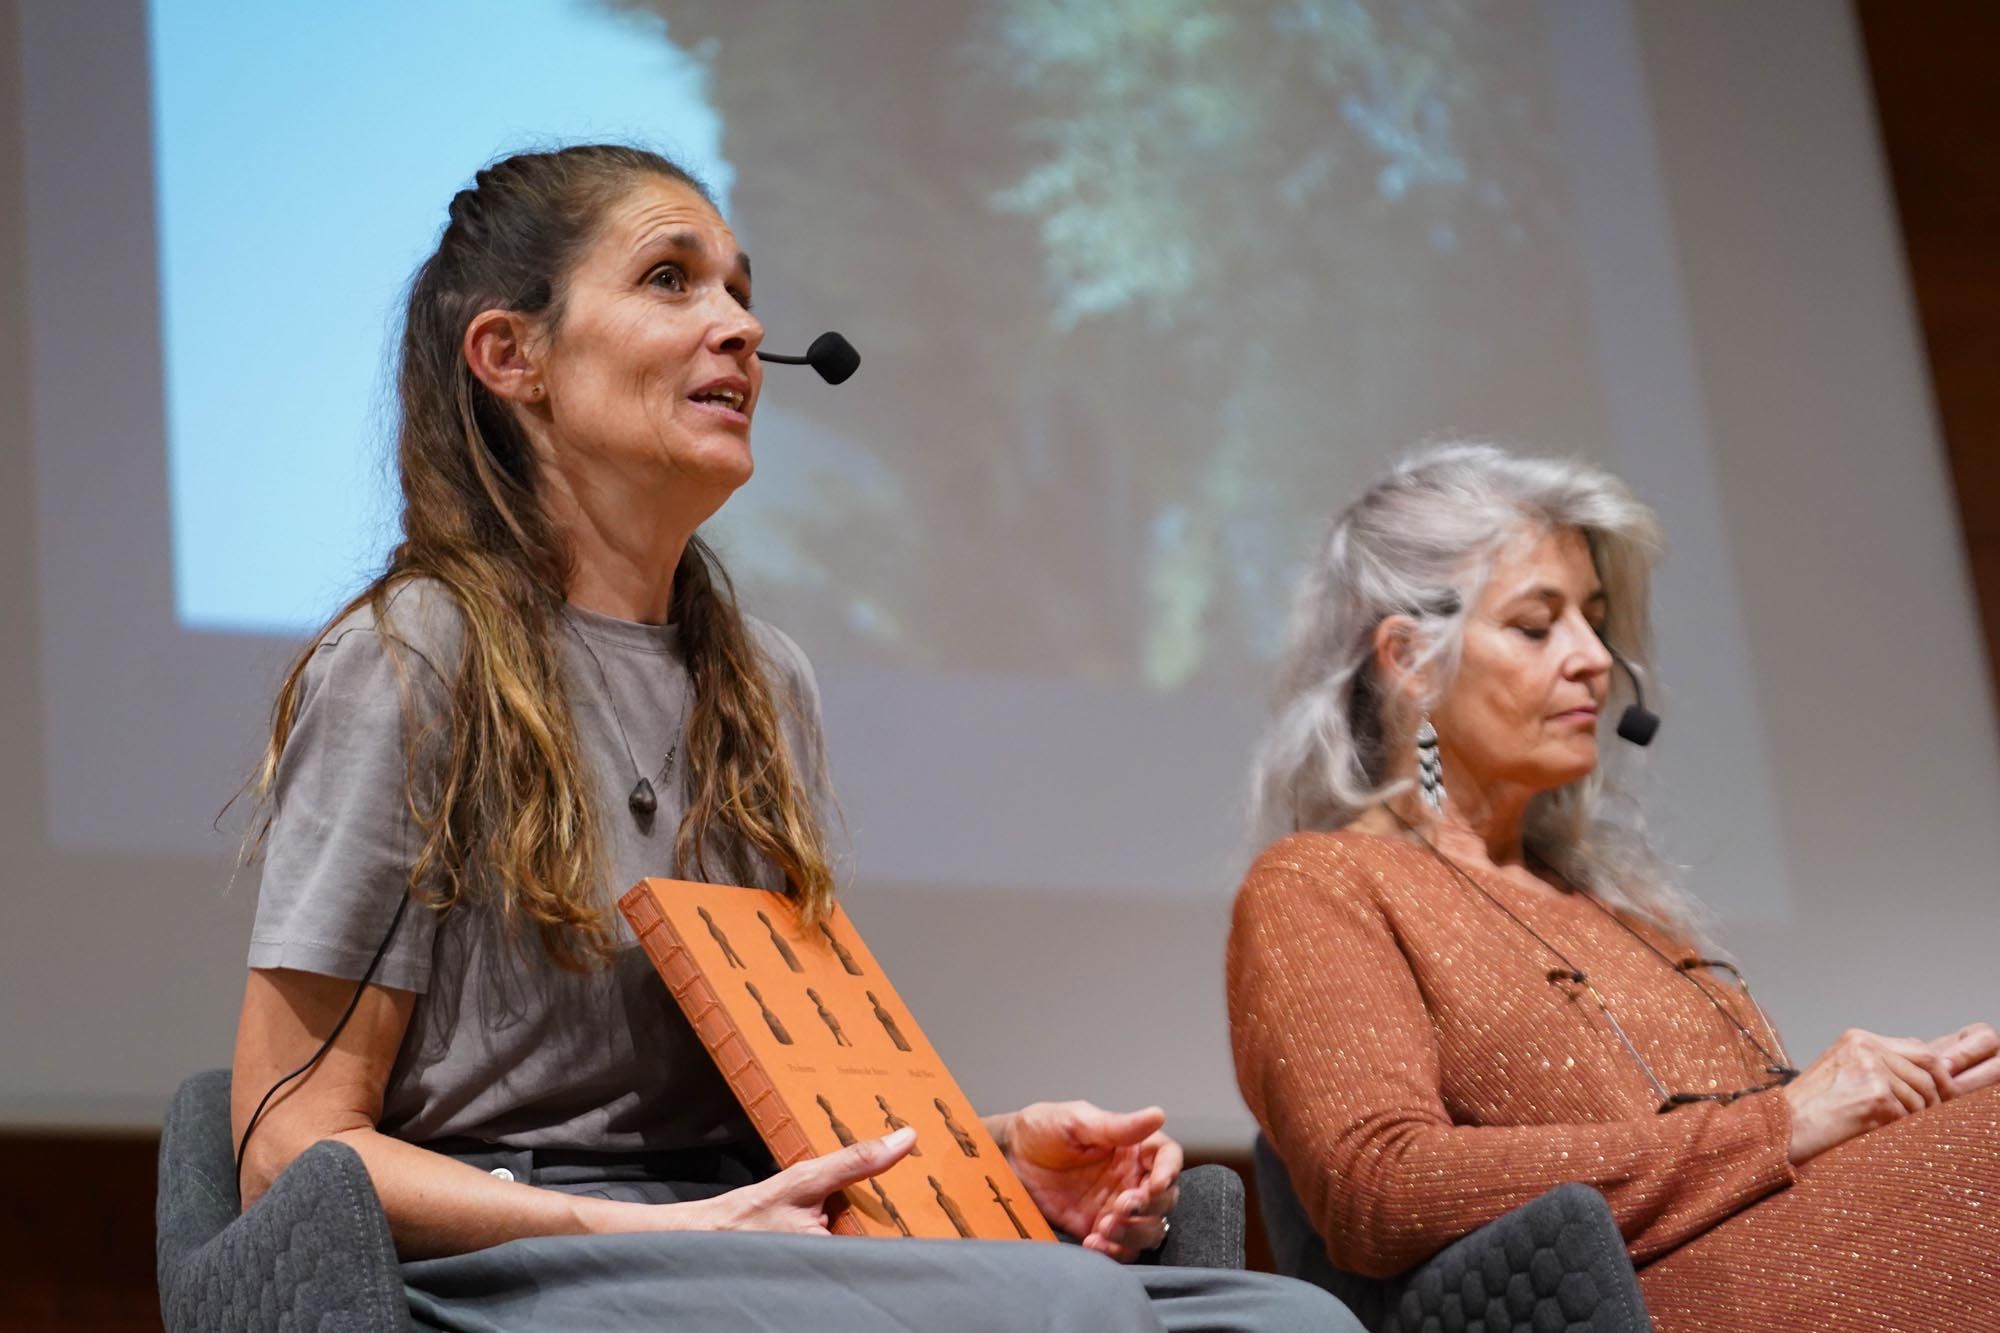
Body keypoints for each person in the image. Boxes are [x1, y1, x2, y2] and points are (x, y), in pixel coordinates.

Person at [232, 143, 1352, 1332]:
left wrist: (993, 1154)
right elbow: (285, 1142)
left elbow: (784, 1105)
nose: (738, 330)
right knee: (1059, 1311)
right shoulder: (413, 657)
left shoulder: (763, 677)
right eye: (671, 279)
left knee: (1293, 1325)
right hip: (531, 1258)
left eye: (740, 291)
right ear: (513, 357)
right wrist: (660, 1230)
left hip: (753, 1238)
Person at [1226, 443, 2000, 1330]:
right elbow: (1379, 1187)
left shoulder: (1620, 912)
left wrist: (1908, 1102)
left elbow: (1767, 1149)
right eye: (1536, 624)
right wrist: (1787, 1121)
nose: (1595, 658)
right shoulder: (1321, 883)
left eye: (1595, 620)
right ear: (1409, 661)